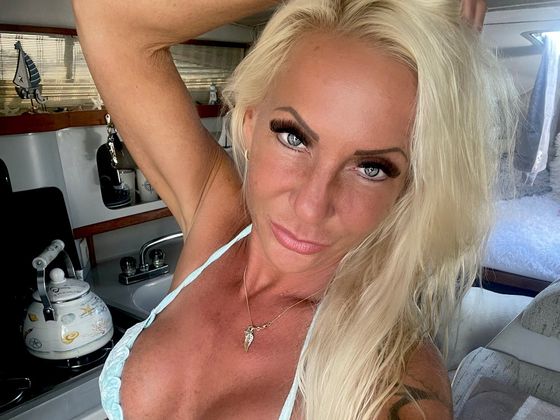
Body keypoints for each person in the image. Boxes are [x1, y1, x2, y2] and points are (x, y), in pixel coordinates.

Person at [72, 0, 517, 418]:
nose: (311, 205)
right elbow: (106, 16)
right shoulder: (218, 222)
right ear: (250, 123)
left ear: (407, 189)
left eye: (371, 168)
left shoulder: (391, 380)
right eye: (294, 138)